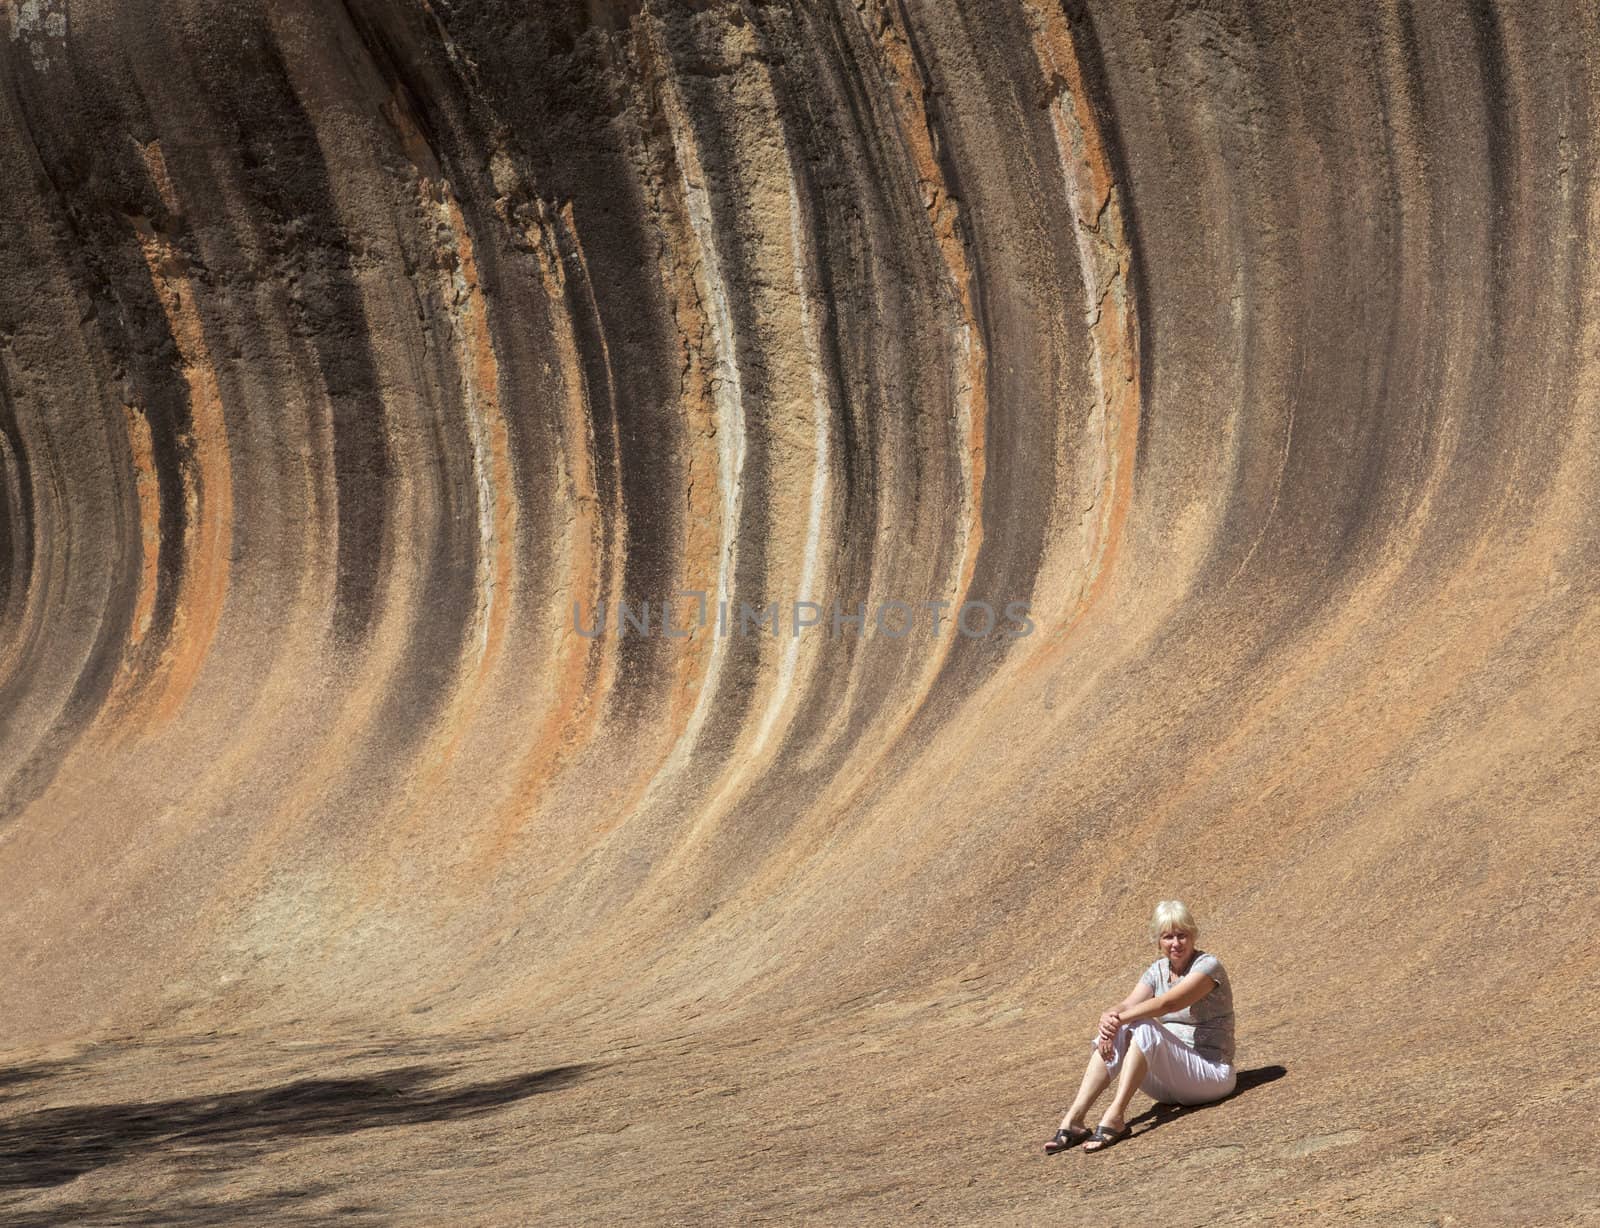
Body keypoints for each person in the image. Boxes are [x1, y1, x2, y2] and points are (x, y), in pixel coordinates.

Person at [1043, 899, 1236, 1154]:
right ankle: (1074, 1120)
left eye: (1182, 935)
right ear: (1158, 941)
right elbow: (1128, 1004)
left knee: (1141, 1025)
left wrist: (1121, 1019)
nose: (1175, 943)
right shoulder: (1157, 970)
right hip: (1171, 1084)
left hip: (1210, 1076)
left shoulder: (1207, 967)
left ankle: (1115, 1116)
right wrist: (1109, 1018)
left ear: (1193, 935)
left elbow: (1169, 1002)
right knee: (1123, 1025)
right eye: (1168, 937)